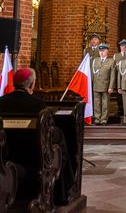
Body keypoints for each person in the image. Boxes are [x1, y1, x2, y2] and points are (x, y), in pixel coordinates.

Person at [0, 68, 75, 205]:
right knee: (58, 138)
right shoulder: (37, 103)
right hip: (33, 156)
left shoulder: (2, 102)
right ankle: (65, 187)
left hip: (6, 153)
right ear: (32, 84)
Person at [91, 43, 116, 125]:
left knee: (105, 103)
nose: (101, 52)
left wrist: (111, 87)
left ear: (107, 51)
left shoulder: (111, 61)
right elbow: (92, 74)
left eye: (103, 51)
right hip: (96, 85)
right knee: (97, 103)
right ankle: (97, 118)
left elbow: (112, 76)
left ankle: (104, 119)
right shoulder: (95, 60)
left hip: (106, 86)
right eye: (100, 51)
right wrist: (91, 84)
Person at [113, 39, 126, 116]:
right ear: (120, 47)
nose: (123, 47)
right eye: (122, 46)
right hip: (118, 77)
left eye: (125, 46)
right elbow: (114, 67)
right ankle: (120, 109)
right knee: (119, 94)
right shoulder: (116, 55)